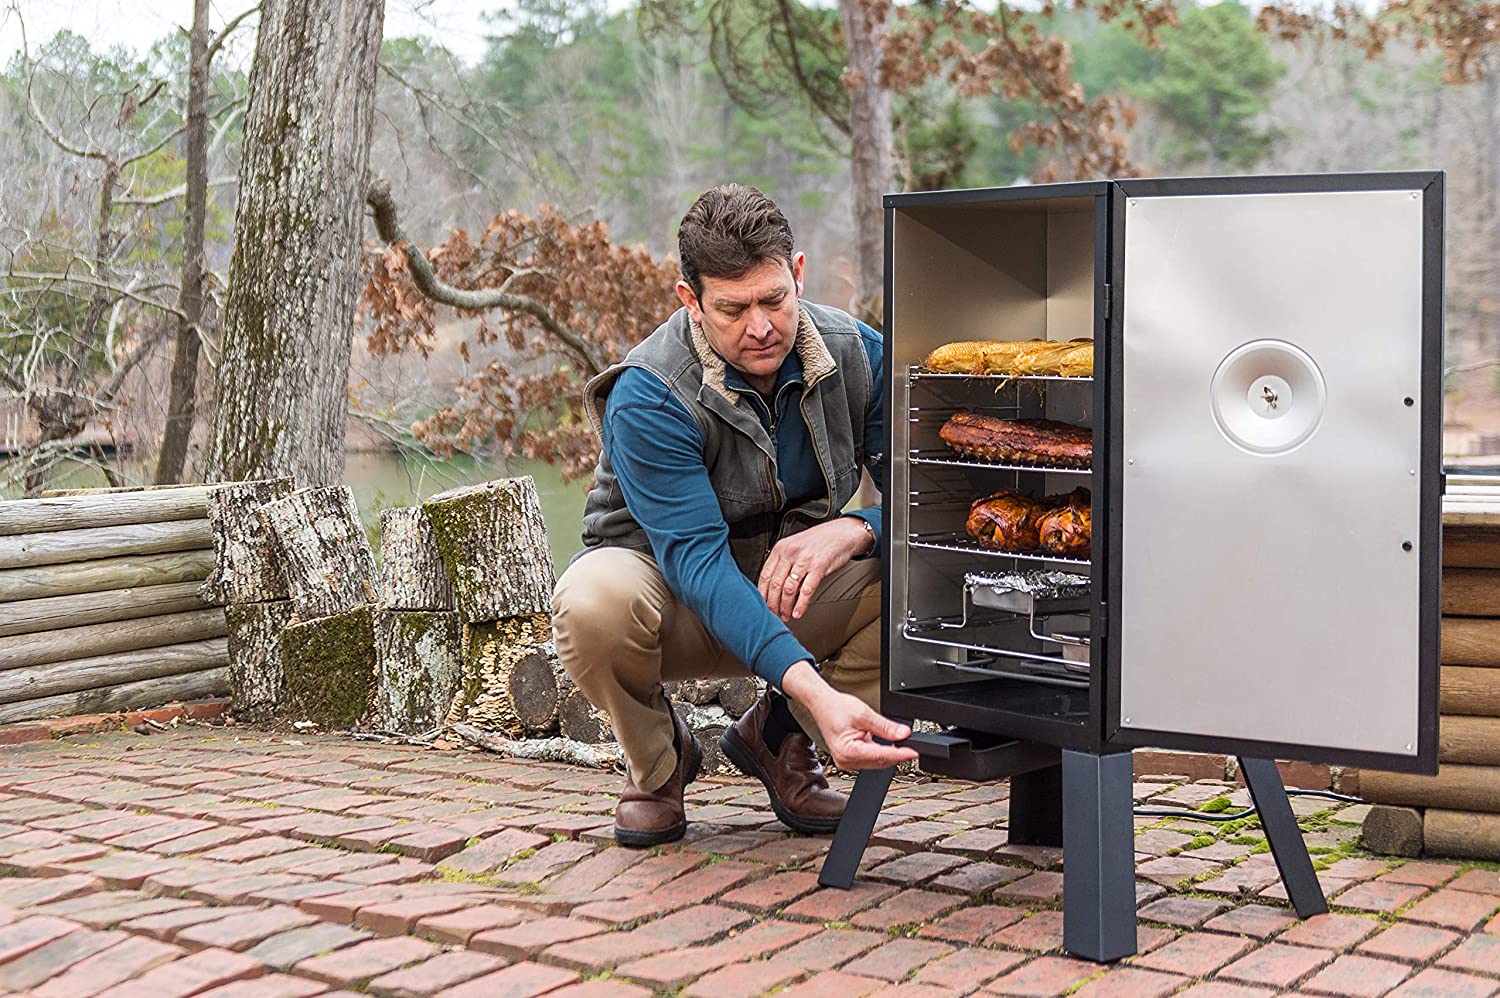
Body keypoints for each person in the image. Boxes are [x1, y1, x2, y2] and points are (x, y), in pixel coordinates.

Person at [552, 183, 918, 847]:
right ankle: (660, 764)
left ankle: (779, 736)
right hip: (675, 600)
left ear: (798, 273)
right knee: (590, 600)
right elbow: (698, 564)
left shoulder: (860, 354)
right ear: (690, 300)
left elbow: (932, 502)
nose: (761, 327)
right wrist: (821, 692)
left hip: (793, 594)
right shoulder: (648, 394)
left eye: (775, 299)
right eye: (733, 308)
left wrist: (860, 527)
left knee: (917, 577)